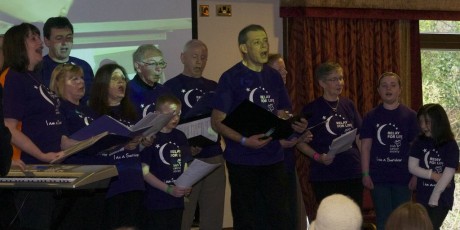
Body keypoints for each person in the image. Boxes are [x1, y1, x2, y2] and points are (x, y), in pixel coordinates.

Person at [210, 24, 308, 230]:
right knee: (248, 220)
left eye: (265, 41)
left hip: (273, 158)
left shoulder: (273, 76)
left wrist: (295, 123)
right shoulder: (231, 77)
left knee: (279, 217)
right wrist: (245, 140)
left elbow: (284, 111)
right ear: (244, 48)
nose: (263, 46)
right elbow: (217, 121)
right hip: (243, 160)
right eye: (257, 42)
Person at [2, 22, 70, 230]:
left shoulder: (36, 77)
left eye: (39, 37)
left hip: (49, 166)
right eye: (33, 38)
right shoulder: (14, 77)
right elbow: (9, 128)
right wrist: (41, 155)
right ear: (18, 45)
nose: (40, 42)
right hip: (31, 168)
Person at [164, 39, 226, 230]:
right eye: (194, 57)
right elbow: (166, 127)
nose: (199, 61)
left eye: (203, 58)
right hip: (186, 159)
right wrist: (185, 149)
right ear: (183, 58)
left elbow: (221, 118)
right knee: (184, 214)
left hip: (213, 156)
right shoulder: (170, 87)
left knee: (213, 215)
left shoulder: (213, 86)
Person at [297, 61, 363, 209]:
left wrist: (365, 168)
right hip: (325, 174)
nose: (339, 83)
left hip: (352, 172)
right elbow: (299, 142)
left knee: (353, 219)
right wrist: (317, 157)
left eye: (341, 78)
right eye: (333, 79)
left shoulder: (349, 105)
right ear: (322, 83)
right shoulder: (311, 109)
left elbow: (359, 137)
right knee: (331, 220)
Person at [89, 63, 145, 230]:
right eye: (114, 78)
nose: (121, 82)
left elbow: (137, 148)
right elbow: (92, 150)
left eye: (123, 78)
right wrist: (122, 146)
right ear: (103, 84)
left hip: (134, 179)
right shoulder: (93, 114)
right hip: (112, 182)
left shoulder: (131, 112)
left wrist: (143, 142)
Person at [360, 72, 419, 230]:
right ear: (378, 90)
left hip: (404, 178)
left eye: (393, 85)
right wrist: (365, 174)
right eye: (384, 85)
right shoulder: (370, 116)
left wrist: (415, 175)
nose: (388, 89)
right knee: (383, 220)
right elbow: (365, 147)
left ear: (400, 89)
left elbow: (416, 149)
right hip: (378, 178)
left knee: (403, 221)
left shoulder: (411, 116)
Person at [267, 53, 308, 230]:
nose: (285, 72)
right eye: (279, 68)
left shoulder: (283, 98)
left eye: (284, 68)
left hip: (288, 163)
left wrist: (300, 135)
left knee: (291, 215)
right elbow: (259, 135)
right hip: (270, 166)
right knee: (276, 215)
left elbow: (286, 131)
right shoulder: (263, 99)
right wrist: (278, 143)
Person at [140, 94, 193, 230]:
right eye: (170, 114)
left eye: (178, 114)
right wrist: (168, 189)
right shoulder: (150, 137)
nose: (175, 118)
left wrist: (187, 184)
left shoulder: (180, 136)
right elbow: (145, 172)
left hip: (176, 201)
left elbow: (184, 164)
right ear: (158, 114)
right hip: (156, 201)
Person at [408, 103, 459, 230]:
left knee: (431, 227)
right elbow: (412, 167)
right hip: (422, 195)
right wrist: (433, 175)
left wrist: (435, 196)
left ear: (439, 122)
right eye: (421, 122)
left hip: (442, 198)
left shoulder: (450, 145)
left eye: (427, 122)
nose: (423, 126)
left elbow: (448, 173)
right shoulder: (419, 142)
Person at [42, 16, 94, 103]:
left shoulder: (84, 66)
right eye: (59, 38)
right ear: (47, 41)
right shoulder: (39, 68)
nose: (64, 43)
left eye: (69, 38)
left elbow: (92, 99)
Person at [128, 44, 171, 118]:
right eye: (152, 63)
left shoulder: (165, 91)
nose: (159, 69)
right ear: (138, 66)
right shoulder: (125, 93)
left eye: (161, 63)